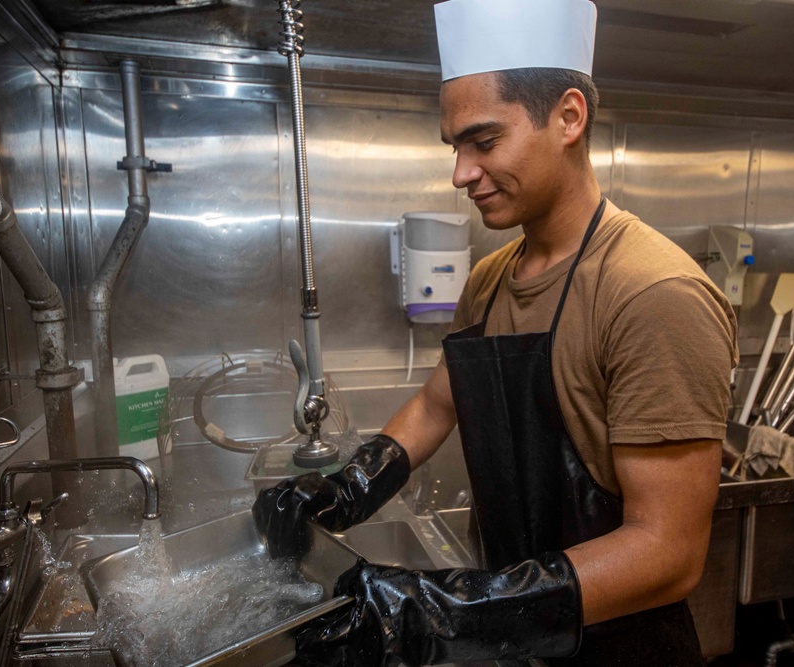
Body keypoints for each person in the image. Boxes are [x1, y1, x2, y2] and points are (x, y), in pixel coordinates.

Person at [254, 0, 739, 664]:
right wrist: (347, 486)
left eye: (483, 141)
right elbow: (435, 404)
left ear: (569, 117)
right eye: (456, 147)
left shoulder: (653, 293)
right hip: (514, 640)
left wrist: (442, 610)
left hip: (620, 648)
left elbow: (669, 551)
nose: (460, 173)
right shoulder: (489, 278)